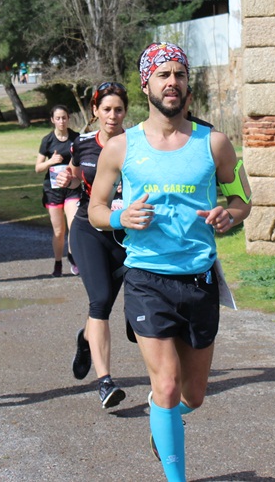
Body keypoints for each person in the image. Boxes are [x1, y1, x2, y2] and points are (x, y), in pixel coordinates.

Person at [89, 42, 252, 482]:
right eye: (163, 75)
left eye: (179, 74)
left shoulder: (214, 142)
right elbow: (96, 210)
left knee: (192, 395)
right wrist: (122, 216)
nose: (172, 82)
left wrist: (228, 214)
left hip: (198, 280)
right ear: (146, 84)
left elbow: (242, 199)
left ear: (188, 84)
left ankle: (162, 424)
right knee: (163, 385)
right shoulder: (121, 148)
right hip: (147, 279)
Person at [59, 82, 130, 409]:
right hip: (90, 229)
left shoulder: (139, 144)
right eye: (106, 109)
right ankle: (105, 382)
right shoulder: (83, 143)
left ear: (125, 111)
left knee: (108, 307)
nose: (112, 116)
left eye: (118, 109)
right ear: (95, 111)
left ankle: (85, 337)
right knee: (100, 301)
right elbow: (77, 173)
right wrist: (69, 180)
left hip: (126, 236)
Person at [35, 104, 81, 277]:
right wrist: (51, 161)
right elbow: (38, 168)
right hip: (53, 190)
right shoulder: (47, 140)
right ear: (52, 120)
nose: (61, 121)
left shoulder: (76, 138)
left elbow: (83, 160)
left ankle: (72, 256)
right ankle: (57, 262)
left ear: (68, 118)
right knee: (59, 231)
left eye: (64, 117)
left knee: (74, 225)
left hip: (72, 188)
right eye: (58, 118)